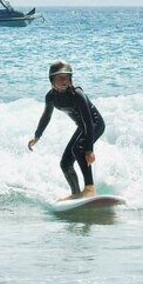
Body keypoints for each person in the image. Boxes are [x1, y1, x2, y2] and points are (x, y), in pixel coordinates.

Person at [28, 61, 105, 200]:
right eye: (60, 78)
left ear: (71, 79)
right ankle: (76, 194)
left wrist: (89, 149)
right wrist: (37, 136)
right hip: (83, 127)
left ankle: (90, 188)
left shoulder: (77, 94)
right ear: (52, 81)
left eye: (66, 77)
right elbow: (46, 116)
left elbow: (88, 121)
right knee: (65, 163)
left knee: (78, 149)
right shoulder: (51, 97)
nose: (64, 80)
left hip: (95, 124)